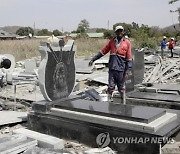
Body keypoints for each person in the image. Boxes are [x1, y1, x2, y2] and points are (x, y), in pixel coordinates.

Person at [89, 25, 132, 102]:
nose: (119, 32)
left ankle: (124, 105)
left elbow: (129, 57)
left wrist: (128, 70)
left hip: (121, 70)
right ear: (115, 32)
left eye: (121, 31)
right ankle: (109, 105)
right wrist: (93, 59)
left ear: (123, 32)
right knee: (111, 87)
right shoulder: (111, 42)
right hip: (112, 69)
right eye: (118, 31)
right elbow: (103, 51)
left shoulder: (127, 43)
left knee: (122, 88)